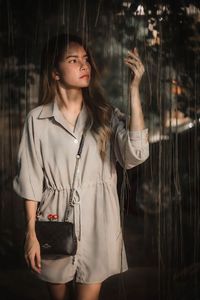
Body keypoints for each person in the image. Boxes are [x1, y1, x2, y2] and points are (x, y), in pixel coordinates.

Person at [13, 33, 149, 300]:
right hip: (54, 220)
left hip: (99, 219)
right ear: (55, 73)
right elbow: (29, 179)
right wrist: (31, 234)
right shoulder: (37, 120)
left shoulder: (104, 114)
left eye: (85, 59)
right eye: (73, 60)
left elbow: (136, 153)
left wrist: (134, 90)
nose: (84, 65)